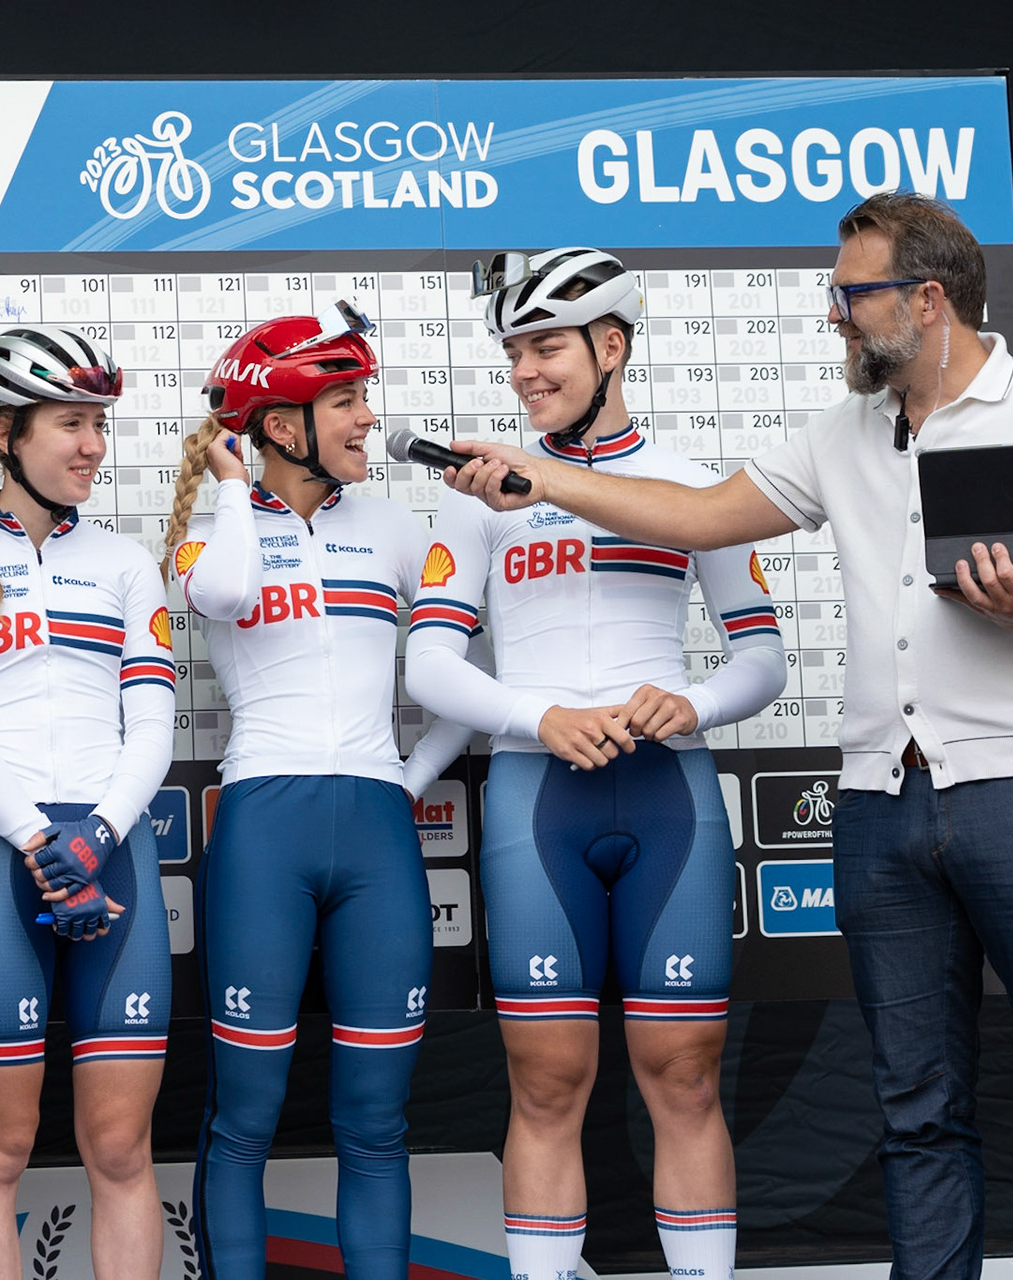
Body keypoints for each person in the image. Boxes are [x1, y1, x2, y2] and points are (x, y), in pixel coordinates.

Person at [439, 195, 1013, 1280]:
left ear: (925, 300)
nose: (833, 318)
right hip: (881, 801)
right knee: (917, 1107)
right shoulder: (838, 431)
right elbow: (693, 516)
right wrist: (531, 476)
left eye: (850, 295)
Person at [401, 247, 785, 1280]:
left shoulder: (696, 486)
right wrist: (539, 714)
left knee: (687, 1075)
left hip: (668, 793)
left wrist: (691, 700)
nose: (526, 370)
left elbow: (763, 653)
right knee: (545, 1079)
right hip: (538, 800)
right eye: (514, 350)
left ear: (611, 347)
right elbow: (430, 660)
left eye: (547, 346)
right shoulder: (480, 494)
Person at [161, 305, 474, 1278]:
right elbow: (219, 597)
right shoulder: (209, 531)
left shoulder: (390, 526)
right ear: (283, 424)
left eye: (363, 398)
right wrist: (229, 486)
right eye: (343, 400)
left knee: (377, 1119)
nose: (366, 420)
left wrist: (405, 778)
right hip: (264, 821)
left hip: (377, 828)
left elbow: (460, 676)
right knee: (245, 1115)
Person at [0, 325, 175, 1279]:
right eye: (71, 423)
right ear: (6, 431)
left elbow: (154, 727)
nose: (93, 444)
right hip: (0, 859)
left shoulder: (129, 563)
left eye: (98, 423)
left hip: (113, 848)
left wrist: (95, 835)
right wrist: (37, 841)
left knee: (123, 1151)